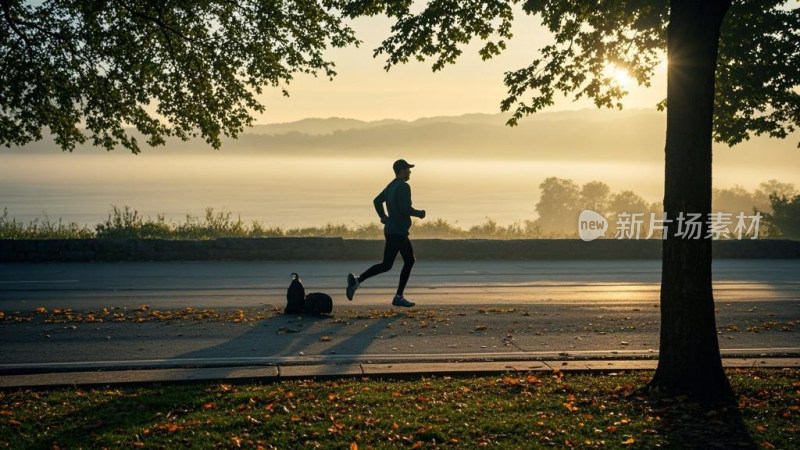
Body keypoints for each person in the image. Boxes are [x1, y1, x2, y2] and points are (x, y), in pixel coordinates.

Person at [346, 159, 426, 307]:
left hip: (392, 230)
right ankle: (397, 296)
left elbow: (377, 201)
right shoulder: (403, 186)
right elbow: (404, 209)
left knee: (389, 264)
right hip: (398, 232)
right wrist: (420, 213)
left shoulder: (391, 185)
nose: (410, 172)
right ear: (401, 170)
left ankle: (357, 281)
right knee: (404, 261)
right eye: (408, 169)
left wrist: (383, 216)